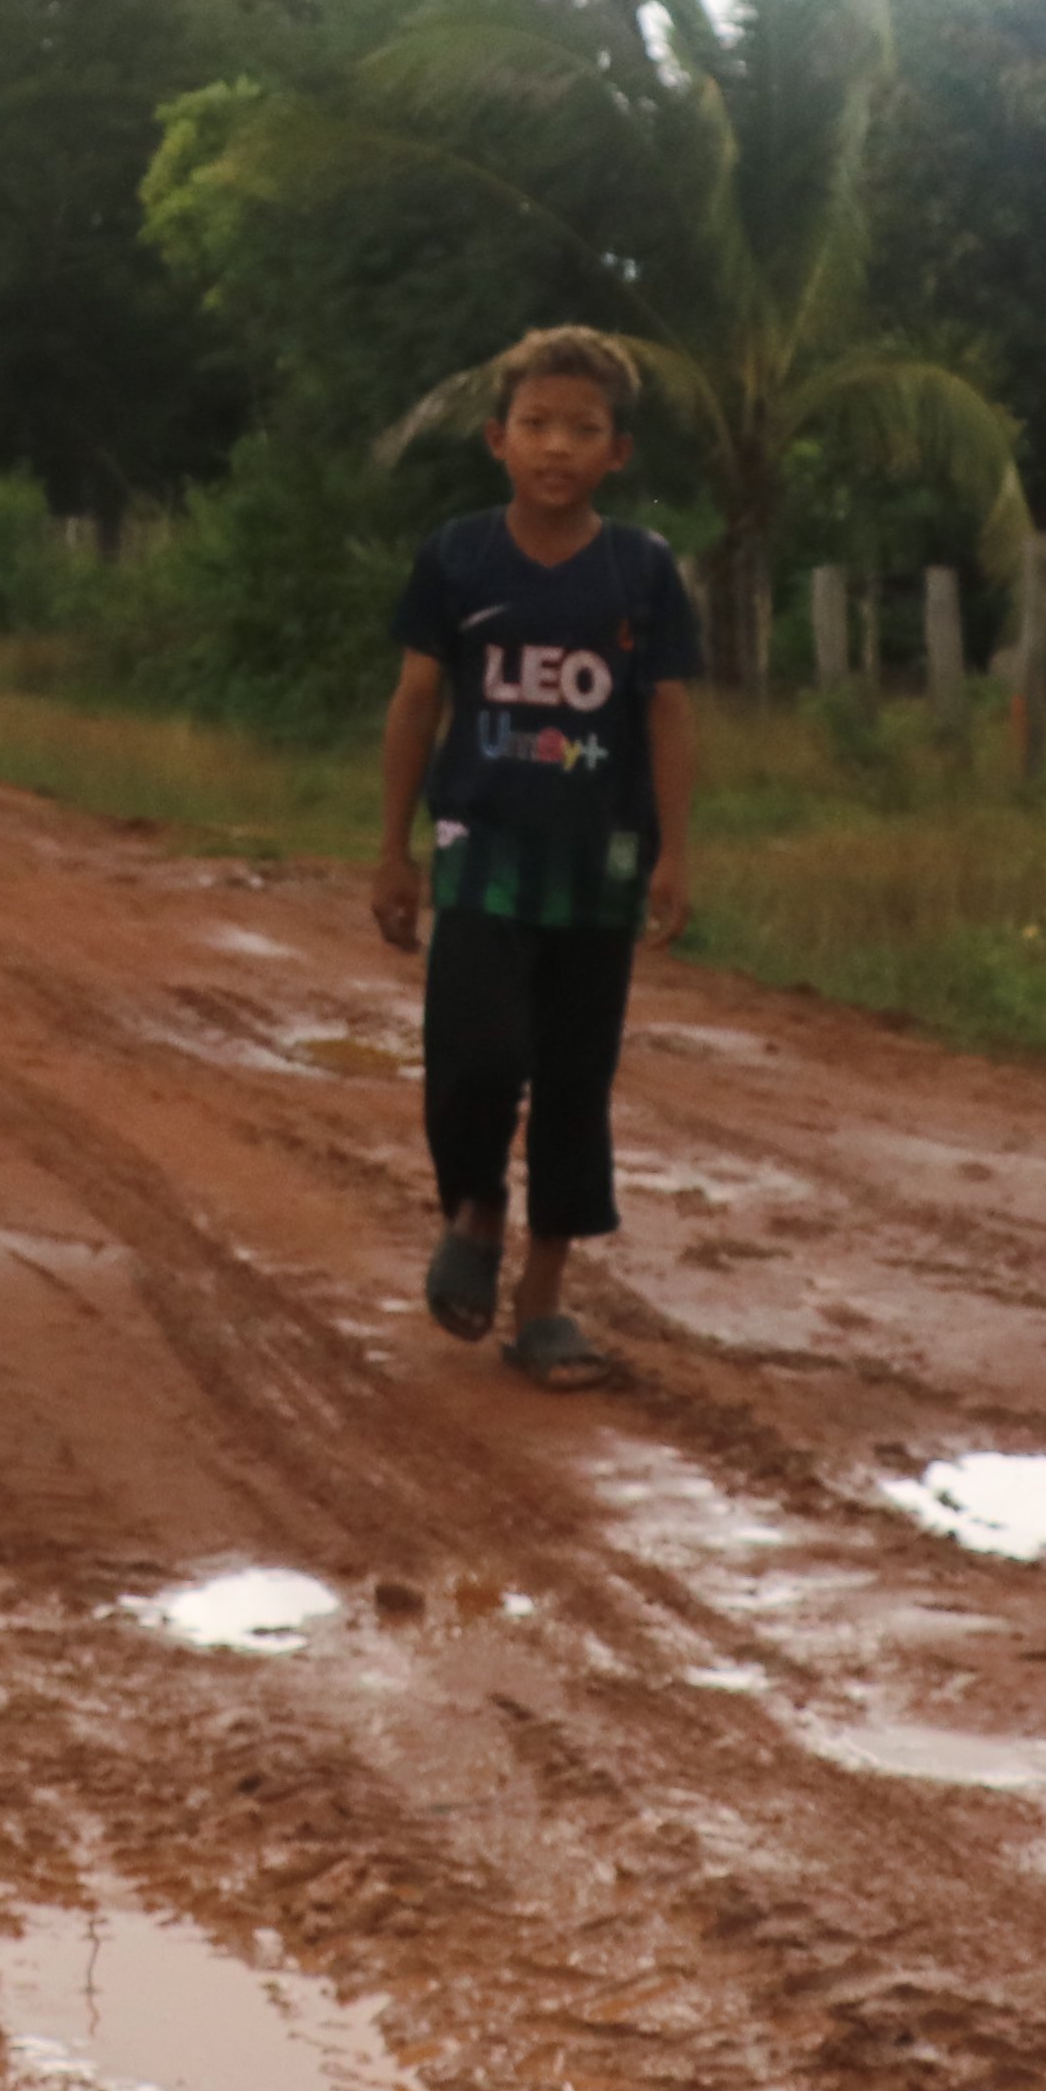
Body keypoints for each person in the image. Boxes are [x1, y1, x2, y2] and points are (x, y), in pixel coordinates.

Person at [368, 324, 702, 1392]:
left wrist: (674, 852)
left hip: (598, 860)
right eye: (538, 425)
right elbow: (418, 700)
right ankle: (473, 1204)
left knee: (573, 1078)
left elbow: (671, 712)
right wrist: (392, 849)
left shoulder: (642, 569)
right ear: (496, 439)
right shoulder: (458, 557)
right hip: (479, 850)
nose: (558, 446)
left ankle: (545, 1299)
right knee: (474, 1059)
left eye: (584, 429)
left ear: (619, 452)